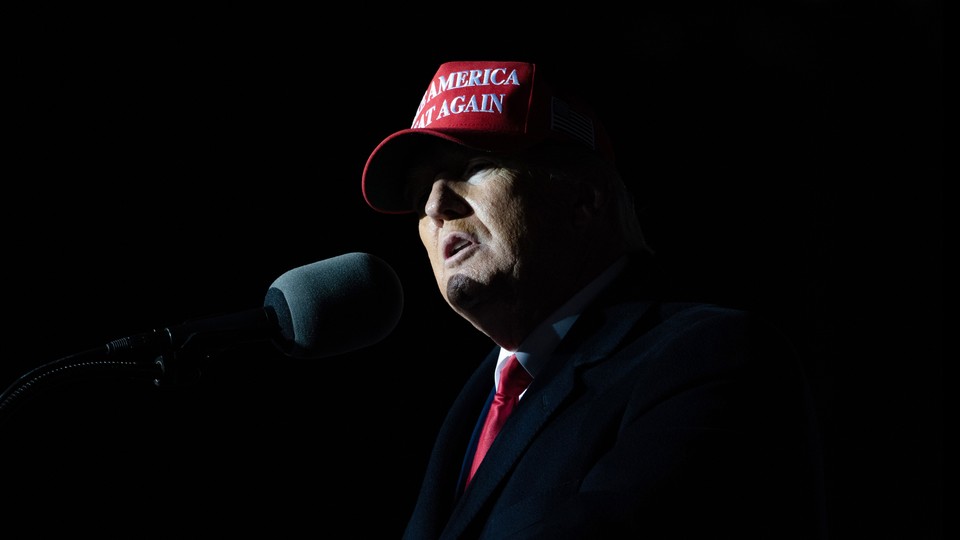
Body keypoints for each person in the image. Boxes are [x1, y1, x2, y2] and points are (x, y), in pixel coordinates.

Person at [361, 60, 827, 539]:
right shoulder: (472, 408)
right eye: (420, 195)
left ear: (583, 199)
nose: (437, 207)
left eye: (474, 167)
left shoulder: (712, 357)